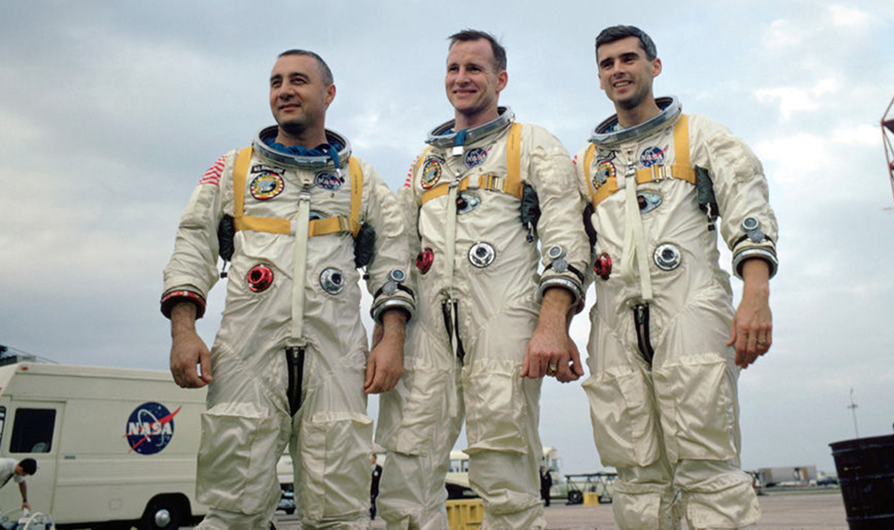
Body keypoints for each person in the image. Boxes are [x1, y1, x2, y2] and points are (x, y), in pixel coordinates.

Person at [162, 49, 414, 528]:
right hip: (246, 352)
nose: (284, 90)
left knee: (340, 511)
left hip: (337, 357)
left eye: (298, 80)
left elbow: (394, 260)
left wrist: (393, 336)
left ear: (329, 93)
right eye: (276, 81)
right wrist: (183, 330)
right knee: (232, 508)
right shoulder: (234, 170)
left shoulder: (360, 179)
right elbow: (192, 244)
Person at [375, 29, 590, 529]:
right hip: (427, 329)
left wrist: (553, 323)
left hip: (504, 321)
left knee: (505, 470)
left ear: (501, 78)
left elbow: (565, 234)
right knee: (405, 472)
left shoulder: (530, 144)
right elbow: (397, 252)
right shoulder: (426, 162)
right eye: (453, 69)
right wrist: (389, 334)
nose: (462, 78)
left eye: (474, 68)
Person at [576, 26, 778, 529]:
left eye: (628, 59)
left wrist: (756, 294)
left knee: (707, 464)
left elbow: (747, 212)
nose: (618, 70)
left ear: (654, 66)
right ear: (600, 79)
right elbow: (572, 248)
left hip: (690, 306)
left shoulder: (699, 136)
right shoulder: (587, 164)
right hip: (616, 322)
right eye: (607, 64)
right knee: (636, 474)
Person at [370, 454, 383, 520]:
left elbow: (381, 478)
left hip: (376, 487)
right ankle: (370, 512)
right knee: (369, 501)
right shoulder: (368, 467)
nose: (371, 460)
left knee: (374, 501)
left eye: (372, 458)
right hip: (369, 487)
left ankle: (373, 514)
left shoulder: (379, 468)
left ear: (375, 459)